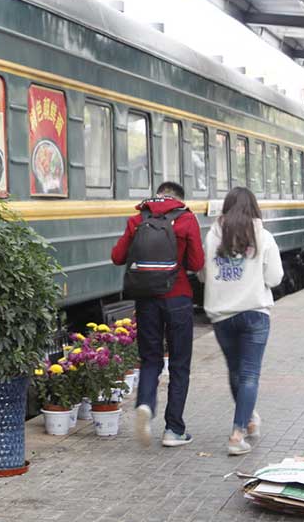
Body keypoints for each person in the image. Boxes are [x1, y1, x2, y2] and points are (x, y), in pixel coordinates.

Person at [111, 181, 204, 448]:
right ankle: (174, 430)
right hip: (178, 299)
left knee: (150, 359)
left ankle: (145, 405)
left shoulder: (137, 218)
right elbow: (197, 264)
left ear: (157, 196)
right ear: (178, 199)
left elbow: (117, 257)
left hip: (146, 300)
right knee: (179, 364)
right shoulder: (186, 219)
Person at [200, 186, 283, 455]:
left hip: (222, 316)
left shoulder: (212, 237)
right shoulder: (264, 236)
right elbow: (274, 278)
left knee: (236, 372)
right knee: (249, 375)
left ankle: (248, 420)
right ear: (254, 208)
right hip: (254, 314)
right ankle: (237, 435)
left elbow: (202, 275)